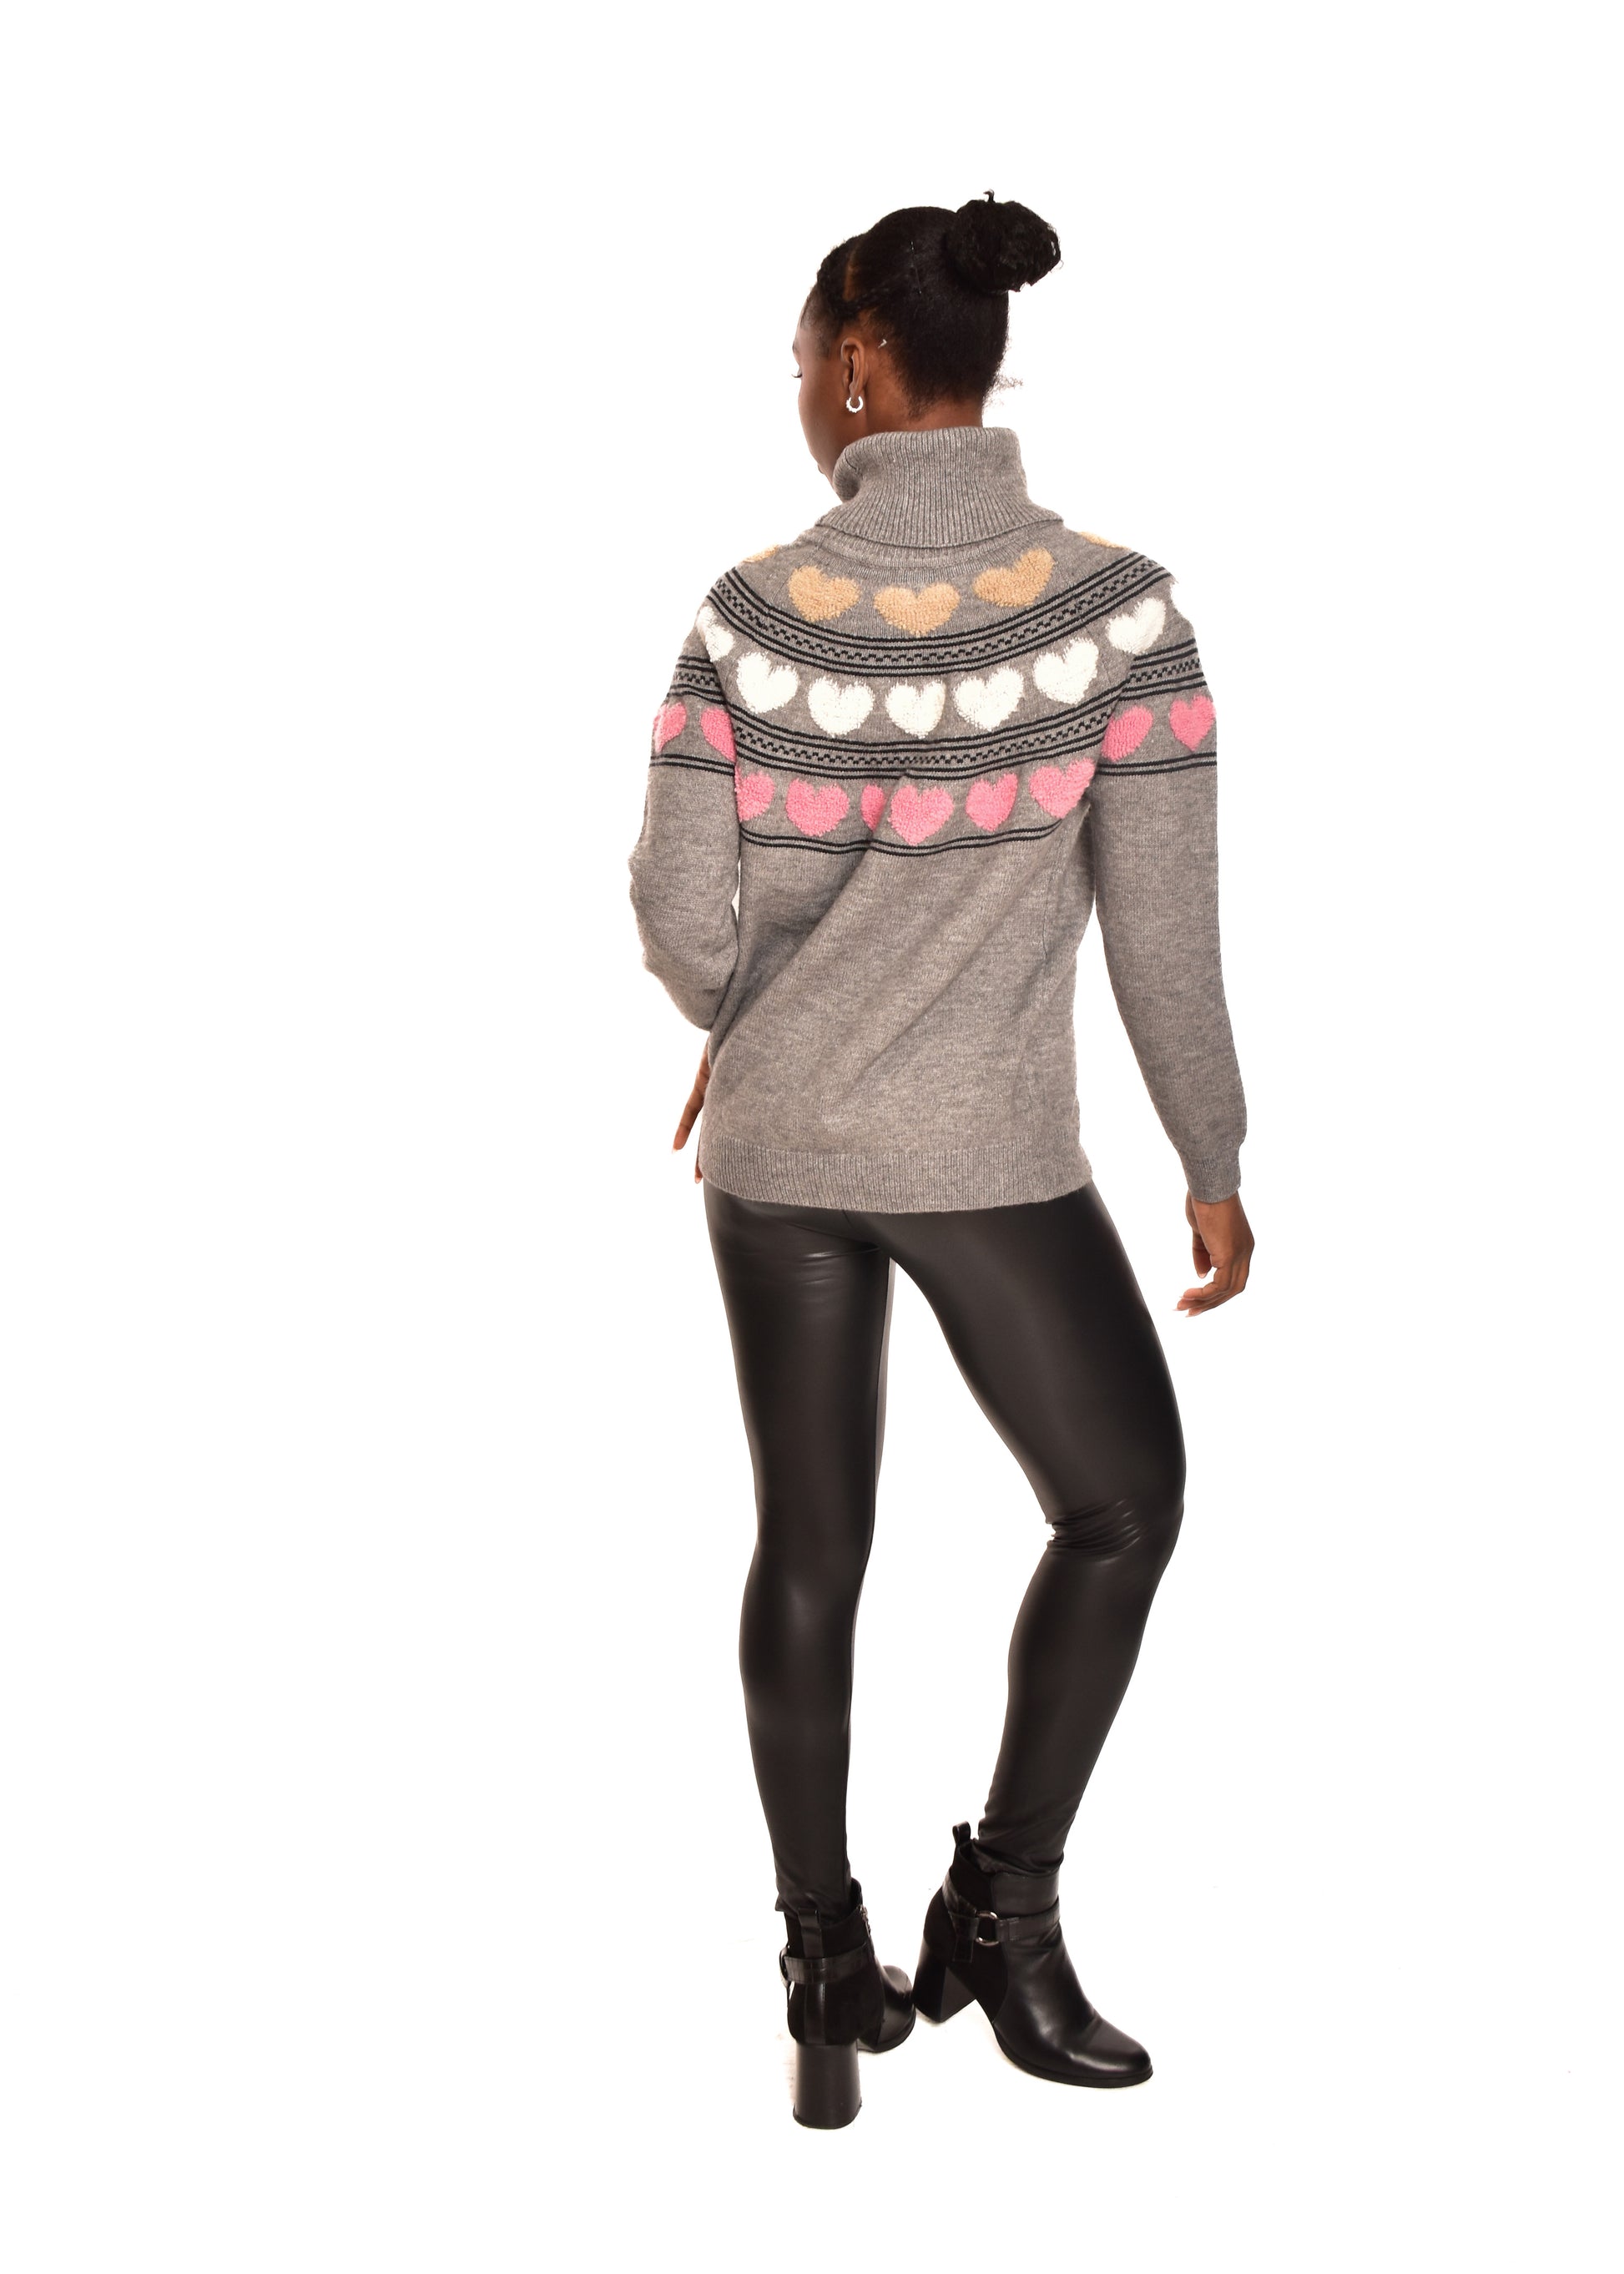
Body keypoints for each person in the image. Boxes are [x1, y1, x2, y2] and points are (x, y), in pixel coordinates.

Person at [628, 194, 1254, 2130]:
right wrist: (1209, 1155)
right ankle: (1004, 1913)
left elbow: (684, 922)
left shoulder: (746, 615)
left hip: (777, 1157)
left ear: (855, 363)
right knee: (1122, 1505)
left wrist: (750, 1014)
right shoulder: (1120, 615)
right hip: (988, 1159)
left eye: (796, 362)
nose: (796, 393)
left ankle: (825, 1966)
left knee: (808, 1549)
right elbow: (1163, 935)